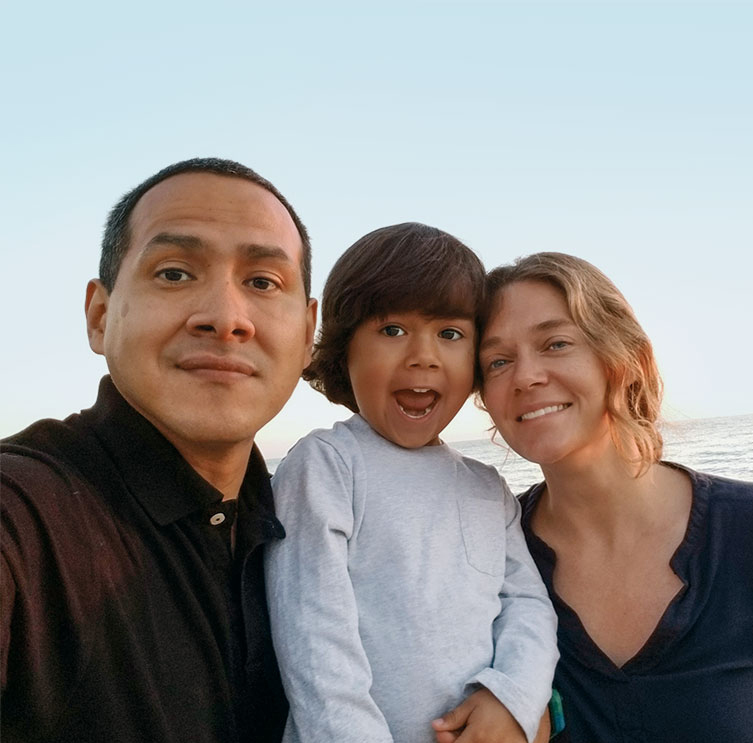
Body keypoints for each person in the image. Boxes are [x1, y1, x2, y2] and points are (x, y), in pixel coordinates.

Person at [473, 252, 753, 742]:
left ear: (626, 360)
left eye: (556, 344)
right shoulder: (487, 551)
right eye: (498, 361)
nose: (525, 376)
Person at [0, 158, 318, 743]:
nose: (225, 318)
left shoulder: (307, 522)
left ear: (307, 333)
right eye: (174, 273)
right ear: (99, 316)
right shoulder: (27, 515)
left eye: (263, 282)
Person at [264, 223, 558, 743]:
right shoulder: (327, 465)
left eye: (450, 334)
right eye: (392, 330)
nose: (423, 355)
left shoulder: (487, 487)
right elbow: (315, 647)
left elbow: (528, 607)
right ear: (342, 350)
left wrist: (511, 698)